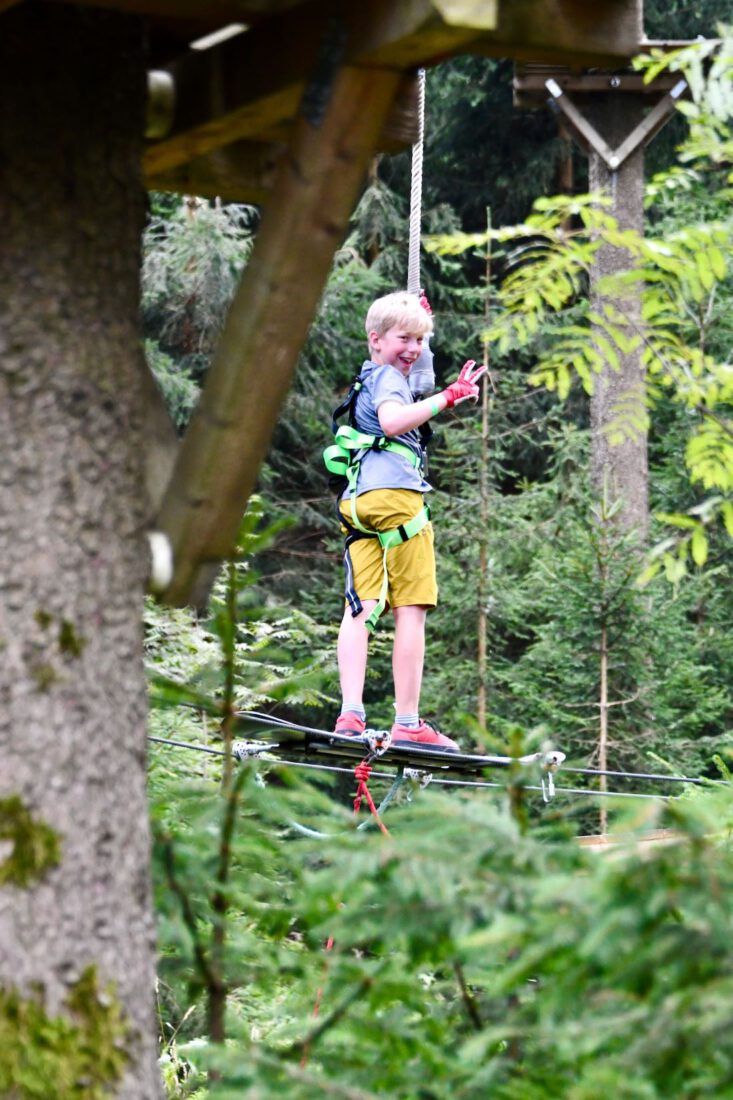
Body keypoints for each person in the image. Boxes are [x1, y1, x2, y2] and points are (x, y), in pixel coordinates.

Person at [329, 290, 486, 751]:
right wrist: (450, 397)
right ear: (375, 340)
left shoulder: (372, 375)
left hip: (359, 506)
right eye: (406, 339)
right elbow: (397, 420)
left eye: (420, 339)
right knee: (410, 609)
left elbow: (415, 371)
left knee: (359, 609)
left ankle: (351, 713)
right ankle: (408, 720)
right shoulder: (388, 382)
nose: (414, 348)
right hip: (398, 502)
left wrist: (420, 326)